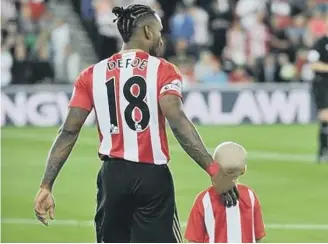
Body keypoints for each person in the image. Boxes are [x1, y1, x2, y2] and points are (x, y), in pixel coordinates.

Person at [33, 4, 239, 243]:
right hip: (152, 176)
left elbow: (68, 131)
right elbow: (178, 121)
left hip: (113, 178)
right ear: (148, 32)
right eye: (159, 32)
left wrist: (46, 185)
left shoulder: (92, 74)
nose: (161, 39)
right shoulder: (164, 70)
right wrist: (214, 171)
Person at [185, 142, 266, 243]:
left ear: (215, 167)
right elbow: (258, 236)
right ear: (244, 170)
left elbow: (194, 240)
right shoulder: (250, 196)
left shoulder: (204, 199)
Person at [308, 30, 328, 163]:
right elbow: (313, 64)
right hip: (322, 84)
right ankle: (323, 150)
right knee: (325, 116)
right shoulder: (320, 43)